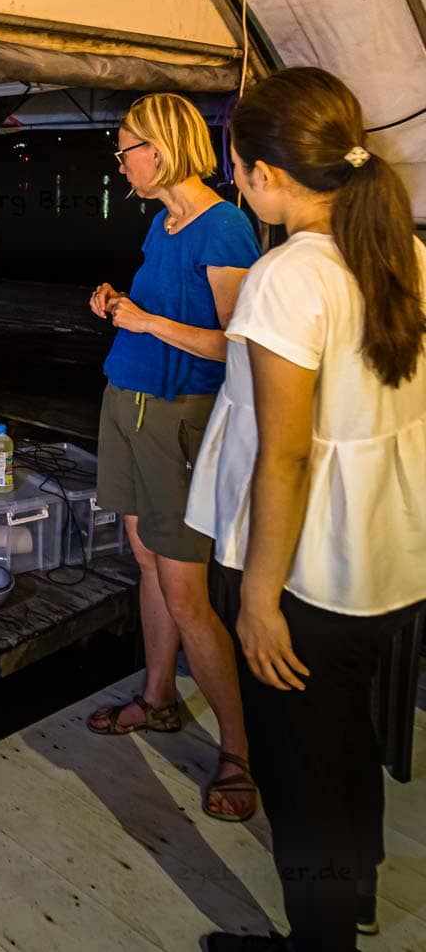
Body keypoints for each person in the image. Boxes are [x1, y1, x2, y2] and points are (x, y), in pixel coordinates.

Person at [187, 67, 426, 952]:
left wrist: (257, 599)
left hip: (308, 579)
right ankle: (356, 899)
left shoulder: (289, 277)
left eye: (238, 169)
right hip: (386, 562)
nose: (238, 184)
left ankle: (319, 940)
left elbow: (285, 453)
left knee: (299, 778)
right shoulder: (401, 252)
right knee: (348, 743)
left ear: (268, 174)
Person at [85, 92, 262, 823]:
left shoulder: (225, 228)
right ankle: (158, 699)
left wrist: (146, 319)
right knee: (145, 557)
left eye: (126, 149)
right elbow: (156, 319)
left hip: (178, 420)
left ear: (158, 150)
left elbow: (240, 346)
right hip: (124, 404)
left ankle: (240, 751)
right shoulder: (164, 224)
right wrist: (118, 306)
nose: (121, 162)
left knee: (187, 591)